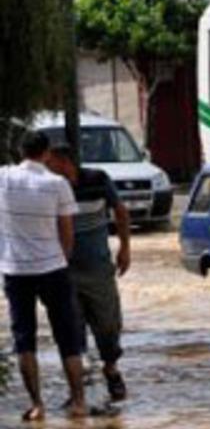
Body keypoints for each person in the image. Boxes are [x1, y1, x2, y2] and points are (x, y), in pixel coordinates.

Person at [0, 132, 88, 420]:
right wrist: (62, 258)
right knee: (67, 335)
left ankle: (37, 404)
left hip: (15, 269)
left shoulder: (4, 178)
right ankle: (78, 402)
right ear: (47, 153)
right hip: (53, 268)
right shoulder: (57, 184)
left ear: (18, 151)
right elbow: (67, 229)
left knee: (24, 339)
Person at [45, 144, 131, 402]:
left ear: (64, 162)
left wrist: (125, 247)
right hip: (63, 270)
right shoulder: (49, 188)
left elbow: (120, 211)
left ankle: (111, 369)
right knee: (71, 328)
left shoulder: (97, 179)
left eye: (51, 162)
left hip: (98, 269)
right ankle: (78, 390)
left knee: (108, 324)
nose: (47, 167)